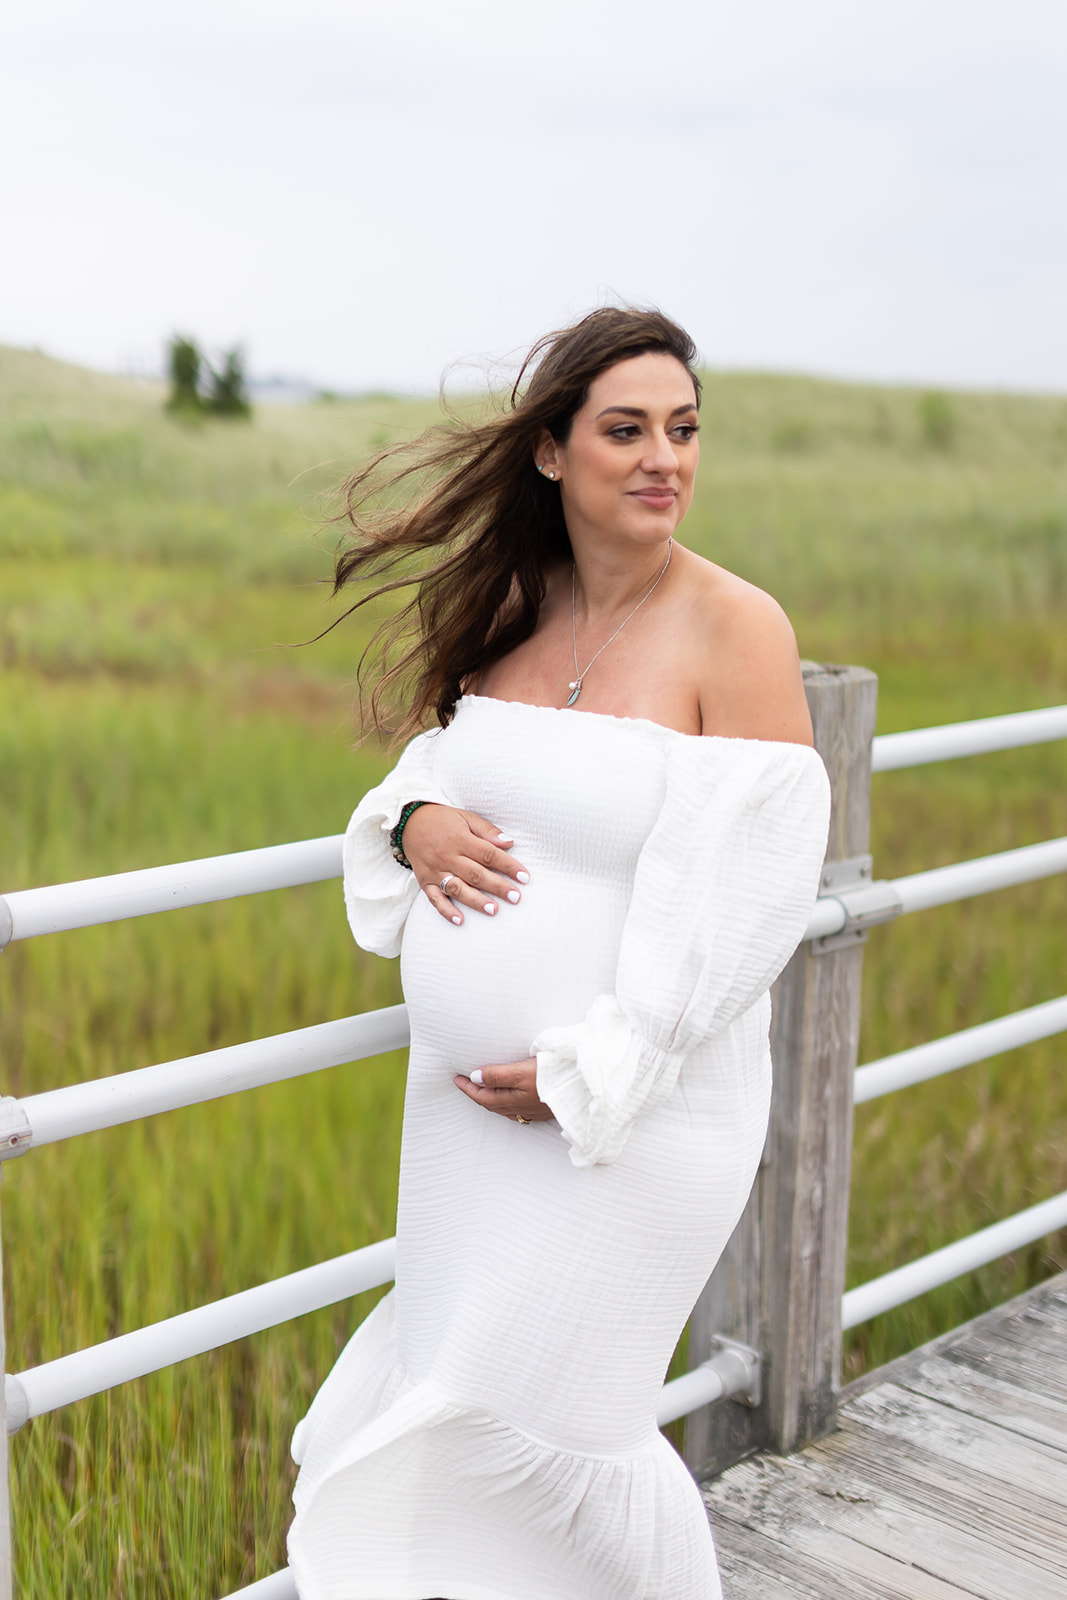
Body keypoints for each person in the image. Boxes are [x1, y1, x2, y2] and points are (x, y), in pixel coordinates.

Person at [286, 307, 831, 1600]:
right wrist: (413, 821)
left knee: (570, 1423)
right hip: (467, 1126)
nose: (664, 460)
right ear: (550, 452)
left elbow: (756, 890)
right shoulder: (519, 606)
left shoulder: (735, 628)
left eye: (684, 431)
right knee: (452, 1375)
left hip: (635, 1118)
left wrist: (608, 1063)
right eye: (627, 430)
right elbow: (443, 768)